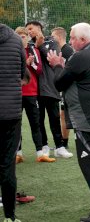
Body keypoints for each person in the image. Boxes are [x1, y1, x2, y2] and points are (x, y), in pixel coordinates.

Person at [47, 22, 90, 222]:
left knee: (88, 164)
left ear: (83, 40)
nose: (70, 41)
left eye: (73, 38)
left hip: (87, 117)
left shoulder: (81, 56)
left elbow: (59, 82)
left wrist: (57, 65)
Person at [25, 21, 73, 159]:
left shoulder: (51, 42)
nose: (29, 31)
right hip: (35, 89)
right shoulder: (28, 46)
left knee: (54, 118)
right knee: (39, 119)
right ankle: (44, 146)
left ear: (39, 28)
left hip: (50, 87)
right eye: (27, 29)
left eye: (31, 28)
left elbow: (52, 59)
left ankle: (59, 147)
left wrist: (40, 46)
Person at [15, 27, 55, 163]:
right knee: (16, 125)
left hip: (32, 93)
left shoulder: (34, 51)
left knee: (36, 123)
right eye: (18, 37)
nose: (21, 39)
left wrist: (31, 63)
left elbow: (39, 70)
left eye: (23, 36)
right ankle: (18, 153)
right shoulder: (13, 52)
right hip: (17, 94)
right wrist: (24, 64)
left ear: (27, 37)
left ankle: (40, 153)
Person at [0, 23, 26, 222]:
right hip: (11, 113)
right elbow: (22, 75)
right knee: (8, 165)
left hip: (10, 112)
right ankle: (10, 216)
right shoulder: (16, 40)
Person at [51, 27, 74, 149]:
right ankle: (64, 142)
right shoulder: (62, 50)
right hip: (65, 88)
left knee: (68, 114)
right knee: (63, 114)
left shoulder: (67, 51)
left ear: (59, 37)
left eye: (53, 36)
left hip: (69, 88)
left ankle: (65, 143)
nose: (51, 39)